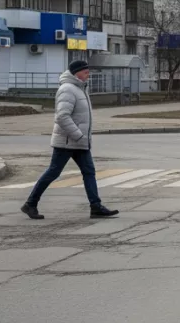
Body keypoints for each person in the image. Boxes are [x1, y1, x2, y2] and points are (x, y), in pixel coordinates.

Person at [21, 60, 119, 219]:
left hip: (79, 142)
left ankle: (96, 206)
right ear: (76, 73)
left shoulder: (80, 88)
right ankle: (30, 204)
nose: (88, 73)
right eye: (85, 71)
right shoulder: (67, 89)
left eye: (88, 70)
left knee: (89, 172)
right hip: (67, 141)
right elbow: (62, 116)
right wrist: (78, 135)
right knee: (53, 172)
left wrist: (81, 138)